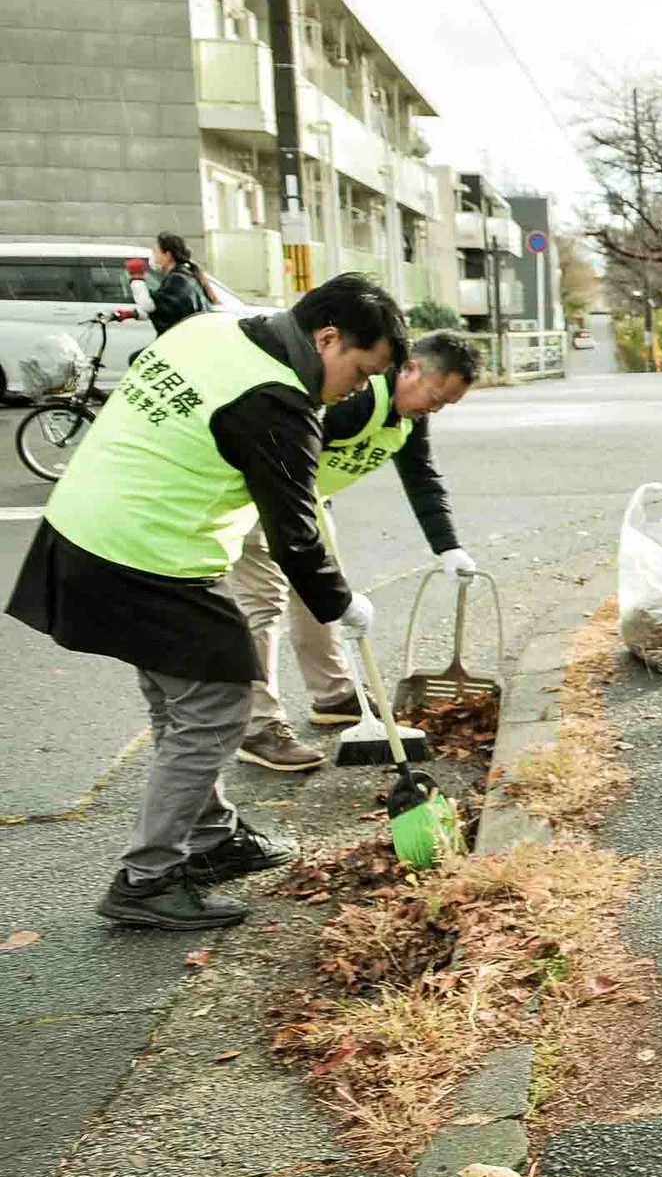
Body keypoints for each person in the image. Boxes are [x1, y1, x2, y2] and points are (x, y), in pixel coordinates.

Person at [7, 275, 406, 932]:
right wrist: (339, 603)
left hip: (86, 529)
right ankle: (147, 877)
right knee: (219, 701)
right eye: (361, 372)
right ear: (326, 337)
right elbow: (295, 536)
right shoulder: (277, 401)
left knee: (181, 700)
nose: (360, 389)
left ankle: (211, 835)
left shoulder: (209, 330)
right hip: (144, 555)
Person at [226, 329, 482, 771]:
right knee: (262, 605)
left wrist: (448, 548)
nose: (433, 410)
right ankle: (258, 726)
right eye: (434, 397)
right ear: (411, 368)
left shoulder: (407, 417)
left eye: (444, 406)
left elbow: (421, 478)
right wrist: (296, 522)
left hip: (306, 505)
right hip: (255, 500)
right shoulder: (354, 402)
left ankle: (332, 694)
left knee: (321, 592)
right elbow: (278, 451)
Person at [143, 232, 211, 337]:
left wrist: (136, 281)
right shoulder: (185, 275)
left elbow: (162, 308)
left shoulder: (178, 280)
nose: (154, 256)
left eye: (156, 252)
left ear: (168, 255)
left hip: (182, 340)